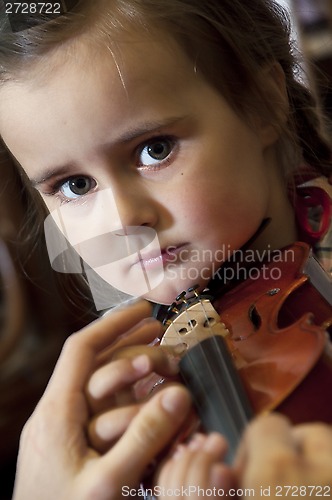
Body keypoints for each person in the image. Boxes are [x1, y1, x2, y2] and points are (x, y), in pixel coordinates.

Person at [0, 0, 331, 498]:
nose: (123, 220)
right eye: (74, 186)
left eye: (154, 149)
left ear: (264, 102)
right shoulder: (120, 385)